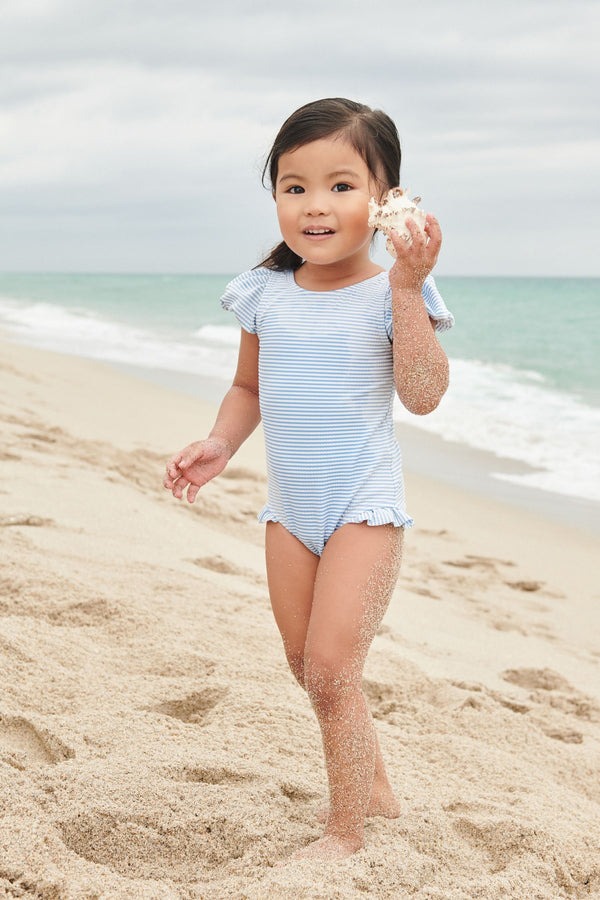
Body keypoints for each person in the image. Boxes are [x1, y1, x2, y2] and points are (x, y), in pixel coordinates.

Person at [163, 97, 454, 863]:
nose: (315, 205)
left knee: (331, 667)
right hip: (290, 511)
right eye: (294, 187)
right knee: (309, 669)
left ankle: (347, 833)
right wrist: (221, 443)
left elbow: (423, 394)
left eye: (340, 185)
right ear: (276, 199)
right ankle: (378, 789)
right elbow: (251, 389)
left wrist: (405, 287)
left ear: (386, 200)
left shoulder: (395, 292)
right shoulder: (264, 294)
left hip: (364, 507)